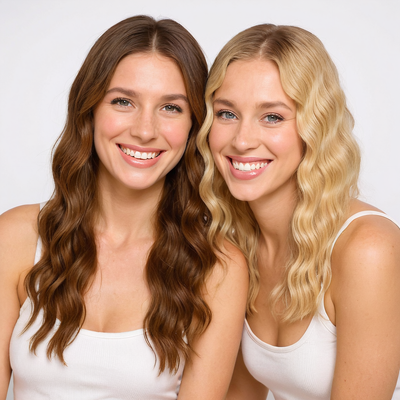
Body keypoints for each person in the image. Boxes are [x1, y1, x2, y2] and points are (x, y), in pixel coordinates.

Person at [0, 16, 248, 400]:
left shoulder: (218, 267)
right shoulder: (17, 236)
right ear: (89, 109)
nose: (145, 130)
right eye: (123, 101)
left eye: (171, 107)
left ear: (194, 126)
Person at [197, 23, 400, 399]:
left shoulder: (368, 248)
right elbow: (242, 394)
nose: (242, 140)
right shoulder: (238, 243)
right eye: (226, 113)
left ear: (315, 127)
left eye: (272, 117)